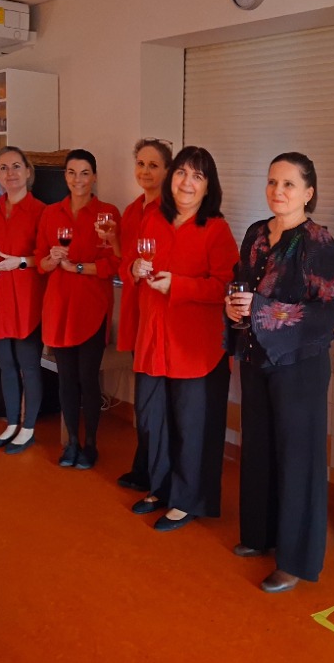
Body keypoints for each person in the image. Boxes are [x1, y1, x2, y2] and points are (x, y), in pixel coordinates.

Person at [226, 152, 334, 593]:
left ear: (308, 193)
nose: (278, 191)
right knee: (258, 447)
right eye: (272, 182)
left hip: (300, 365)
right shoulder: (257, 234)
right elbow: (239, 281)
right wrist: (232, 306)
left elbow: (331, 309)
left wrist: (262, 308)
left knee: (298, 459)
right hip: (257, 357)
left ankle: (295, 560)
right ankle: (259, 534)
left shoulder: (317, 242)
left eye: (289, 184)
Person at [129, 146, 239, 531]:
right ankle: (160, 488)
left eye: (197, 176)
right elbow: (133, 266)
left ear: (208, 187)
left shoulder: (216, 229)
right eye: (181, 173)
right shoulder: (152, 219)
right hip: (153, 340)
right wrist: (134, 268)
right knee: (151, 419)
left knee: (192, 428)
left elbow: (225, 286)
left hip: (196, 346)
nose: (187, 182)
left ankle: (187, 499)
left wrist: (178, 285)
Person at [35, 149, 121, 470]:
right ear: (65, 176)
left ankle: (91, 444)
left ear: (94, 177)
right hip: (59, 307)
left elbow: (114, 263)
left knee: (88, 379)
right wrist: (53, 259)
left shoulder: (107, 214)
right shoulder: (51, 213)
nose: (78, 179)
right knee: (66, 380)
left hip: (93, 308)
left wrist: (79, 267)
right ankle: (72, 441)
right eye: (72, 173)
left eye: (85, 173)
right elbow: (41, 263)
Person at [0, 147, 47, 454]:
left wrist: (20, 262)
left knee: (29, 366)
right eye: (3, 168)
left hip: (28, 299)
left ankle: (28, 428)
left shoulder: (41, 212)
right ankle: (11, 424)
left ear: (28, 171)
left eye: (16, 166)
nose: (10, 173)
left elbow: (46, 258)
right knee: (6, 365)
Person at [115, 138, 173, 493]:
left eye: (153, 165)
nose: (145, 171)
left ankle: (154, 472)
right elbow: (125, 263)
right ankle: (145, 465)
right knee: (145, 395)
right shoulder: (132, 210)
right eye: (141, 164)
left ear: (167, 171)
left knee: (155, 400)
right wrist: (130, 266)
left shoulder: (170, 212)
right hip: (136, 310)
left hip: (160, 314)